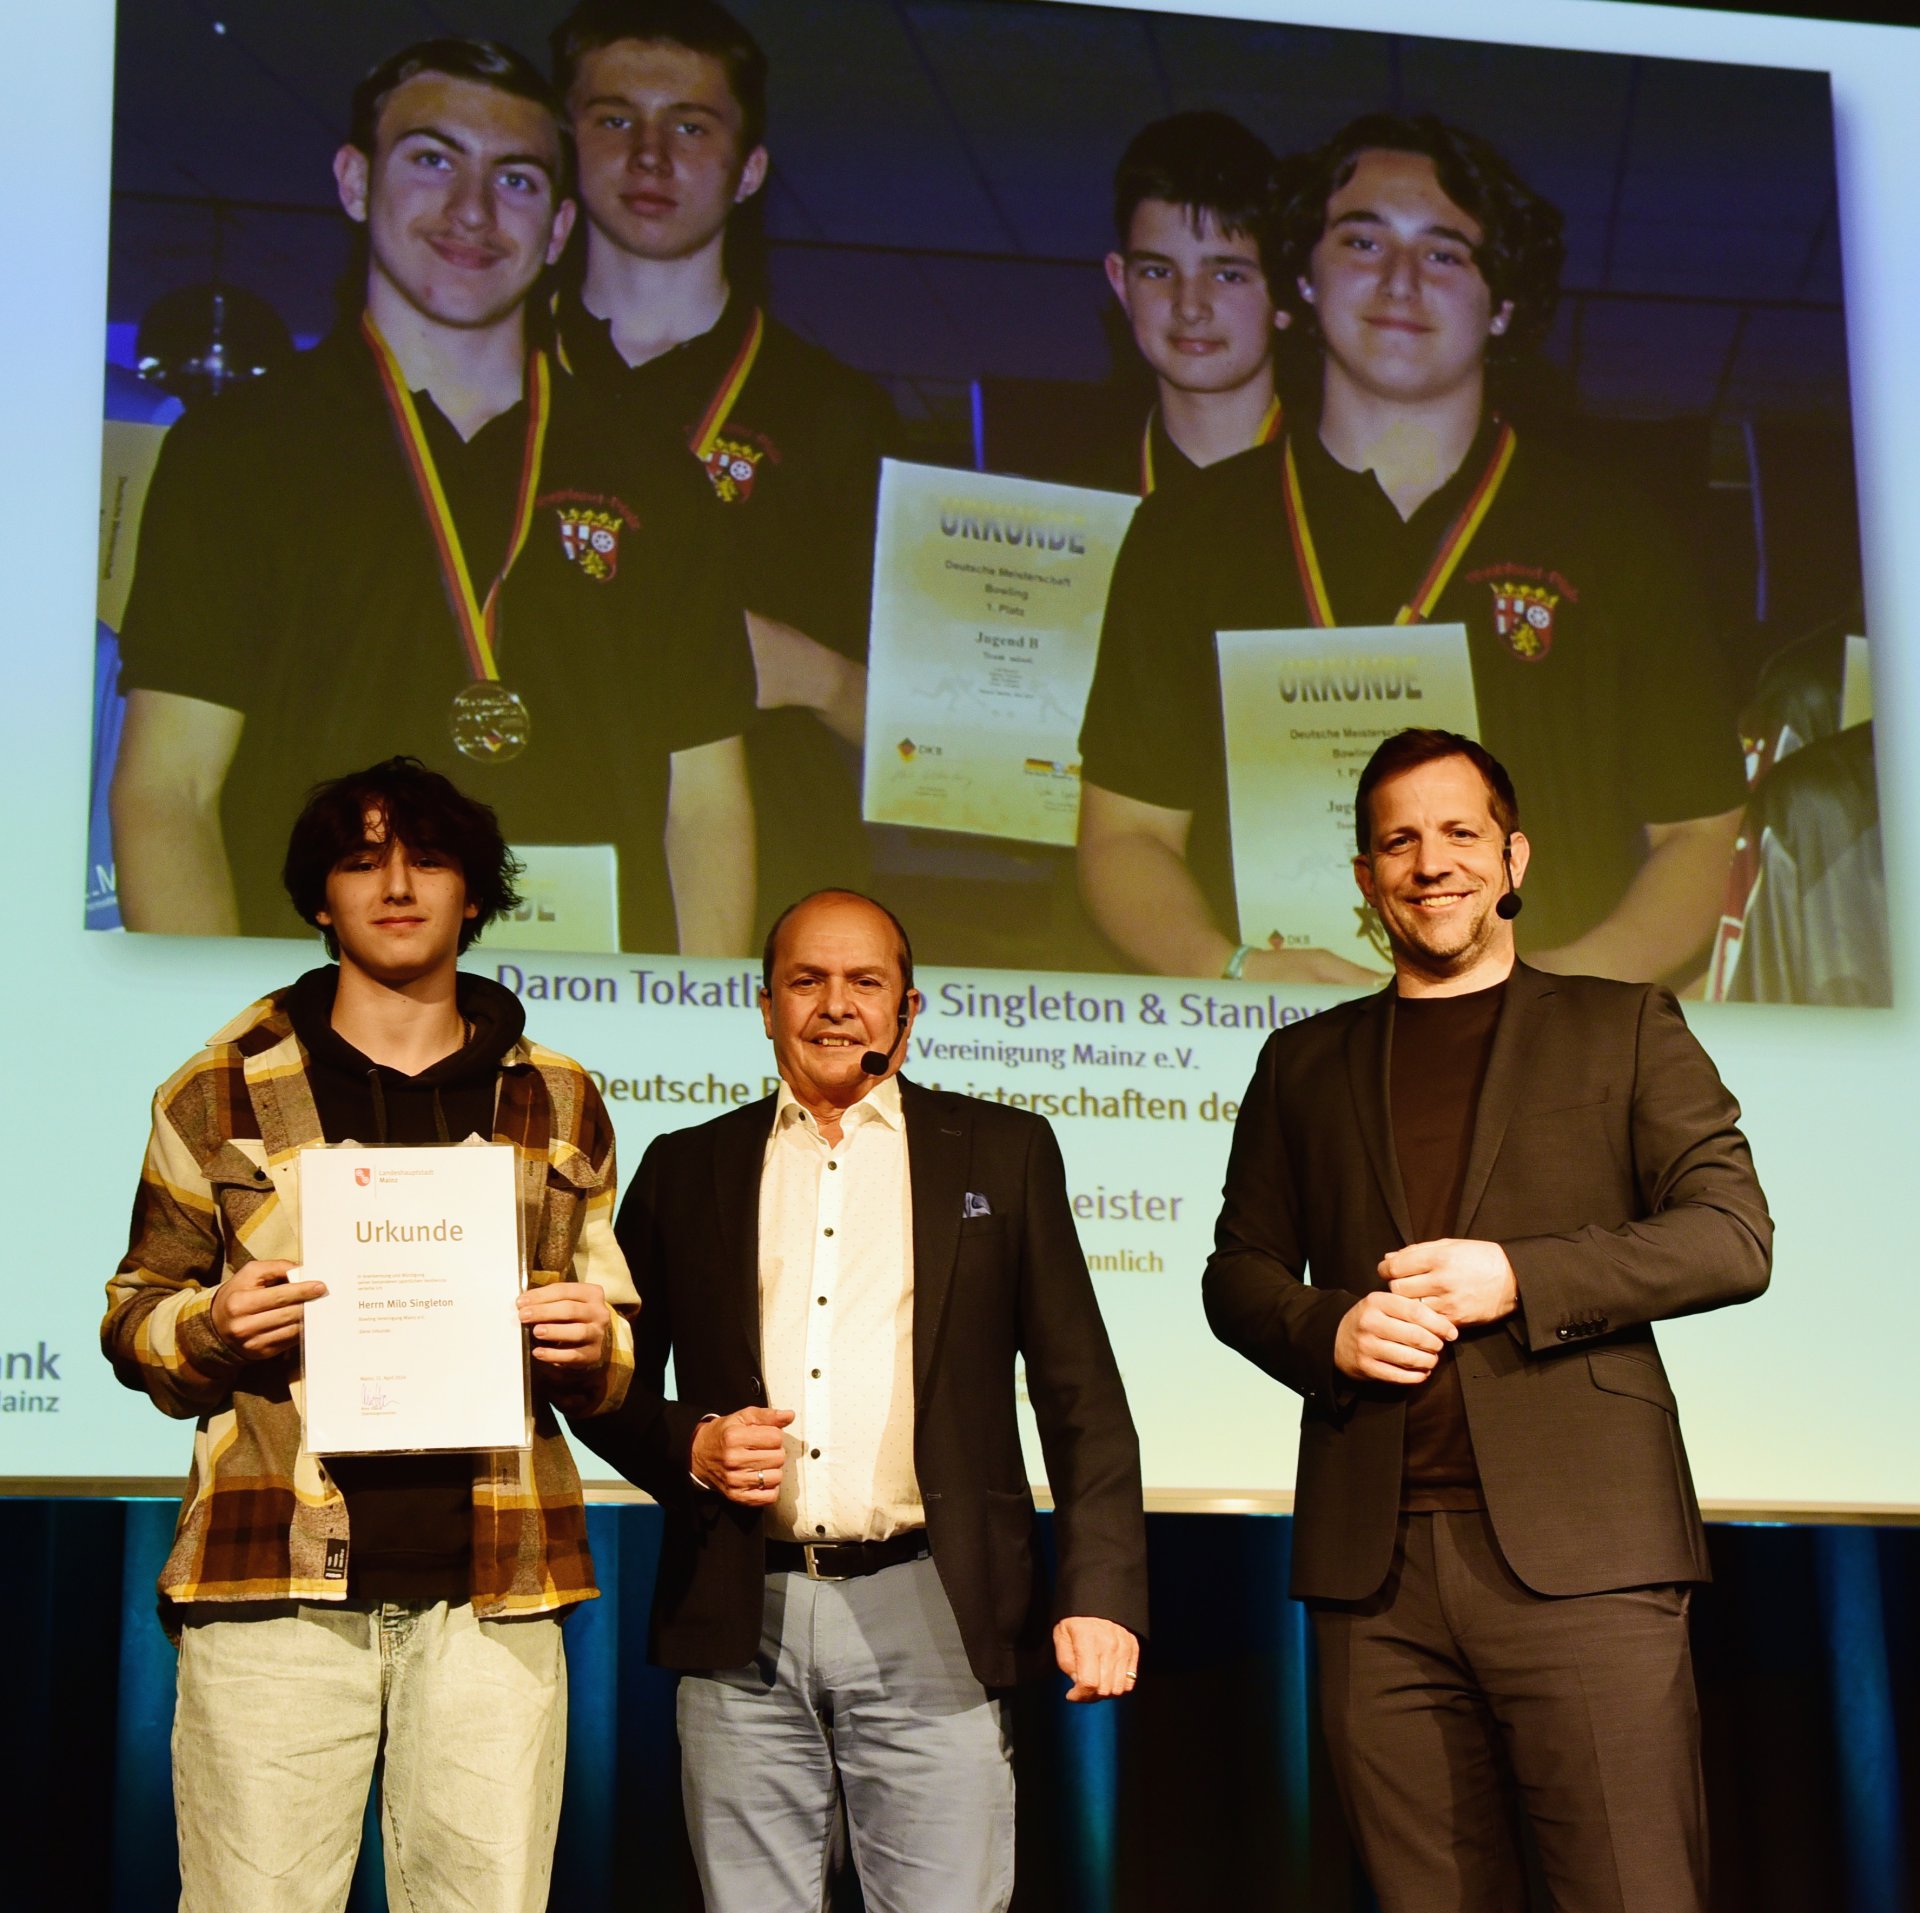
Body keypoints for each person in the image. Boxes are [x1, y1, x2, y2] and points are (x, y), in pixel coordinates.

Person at [1203, 727, 1772, 1911]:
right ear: (1366, 879)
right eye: (1398, 840)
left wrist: (1521, 1276)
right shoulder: (1301, 1062)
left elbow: (1731, 1234)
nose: (1431, 862)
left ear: (1512, 856)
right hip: (1378, 1568)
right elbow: (1239, 1271)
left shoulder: (1622, 1024)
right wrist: (1329, 1330)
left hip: (1588, 1561)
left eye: (1459, 833)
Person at [101, 755, 641, 1912]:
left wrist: (594, 1337)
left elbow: (615, 1332)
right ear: (318, 899)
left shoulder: (556, 1096)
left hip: (493, 1588)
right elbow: (136, 1310)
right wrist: (212, 1324)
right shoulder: (219, 1089)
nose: (397, 884)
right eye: (361, 861)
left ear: (474, 896)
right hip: (272, 1587)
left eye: (428, 859)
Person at [565, 887, 1149, 1912]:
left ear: (909, 1010)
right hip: (744, 1610)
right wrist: (691, 1444)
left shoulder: (1002, 1154)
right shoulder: (685, 1165)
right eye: (807, 979)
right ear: (764, 1003)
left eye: (864, 982)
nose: (836, 1005)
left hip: (935, 1602)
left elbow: (1082, 1394)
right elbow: (605, 1382)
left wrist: (1099, 1588)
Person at [111, 36, 756, 955]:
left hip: (596, 1019)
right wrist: (239, 1059)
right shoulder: (237, 449)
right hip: (320, 1020)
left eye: (518, 180)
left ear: (562, 229)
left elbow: (704, 807)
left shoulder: (652, 473)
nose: (472, 210)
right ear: (354, 181)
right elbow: (166, 791)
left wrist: (693, 1048)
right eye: (431, 161)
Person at [1079, 112, 1748, 985]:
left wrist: (1548, 993)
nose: (1399, 281)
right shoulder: (1186, 532)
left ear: (1502, 302)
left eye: (1443, 253)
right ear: (1306, 279)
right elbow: (1124, 836)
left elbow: (1699, 835)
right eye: (1361, 242)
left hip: (1543, 1064)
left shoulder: (1617, 534)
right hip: (1273, 1055)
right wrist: (1232, 968)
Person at [548, 0, 894, 922]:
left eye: (691, 126)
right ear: (564, 145)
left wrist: (809, 674)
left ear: (749, 171)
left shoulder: (840, 414)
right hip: (528, 875)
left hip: (779, 892)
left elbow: (937, 747)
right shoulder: (495, 383)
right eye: (615, 119)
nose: (650, 156)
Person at [1100, 110, 1292, 495]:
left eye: (1227, 275)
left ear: (1285, 295)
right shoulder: (1073, 506)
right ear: (1122, 284)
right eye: (1158, 272)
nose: (1189, 307)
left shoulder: (1346, 503)